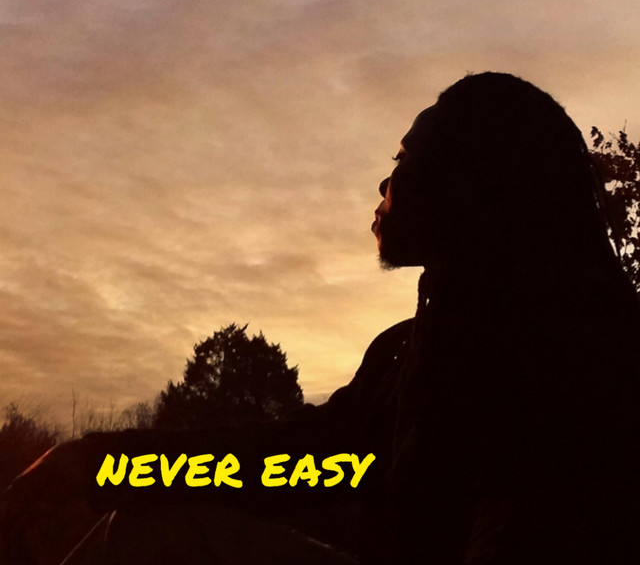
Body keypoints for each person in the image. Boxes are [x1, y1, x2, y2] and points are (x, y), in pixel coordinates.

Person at [4, 72, 640, 564]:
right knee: (155, 526)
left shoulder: (581, 360)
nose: (384, 185)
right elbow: (292, 462)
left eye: (403, 160)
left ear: (472, 177)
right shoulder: (405, 360)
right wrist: (101, 462)